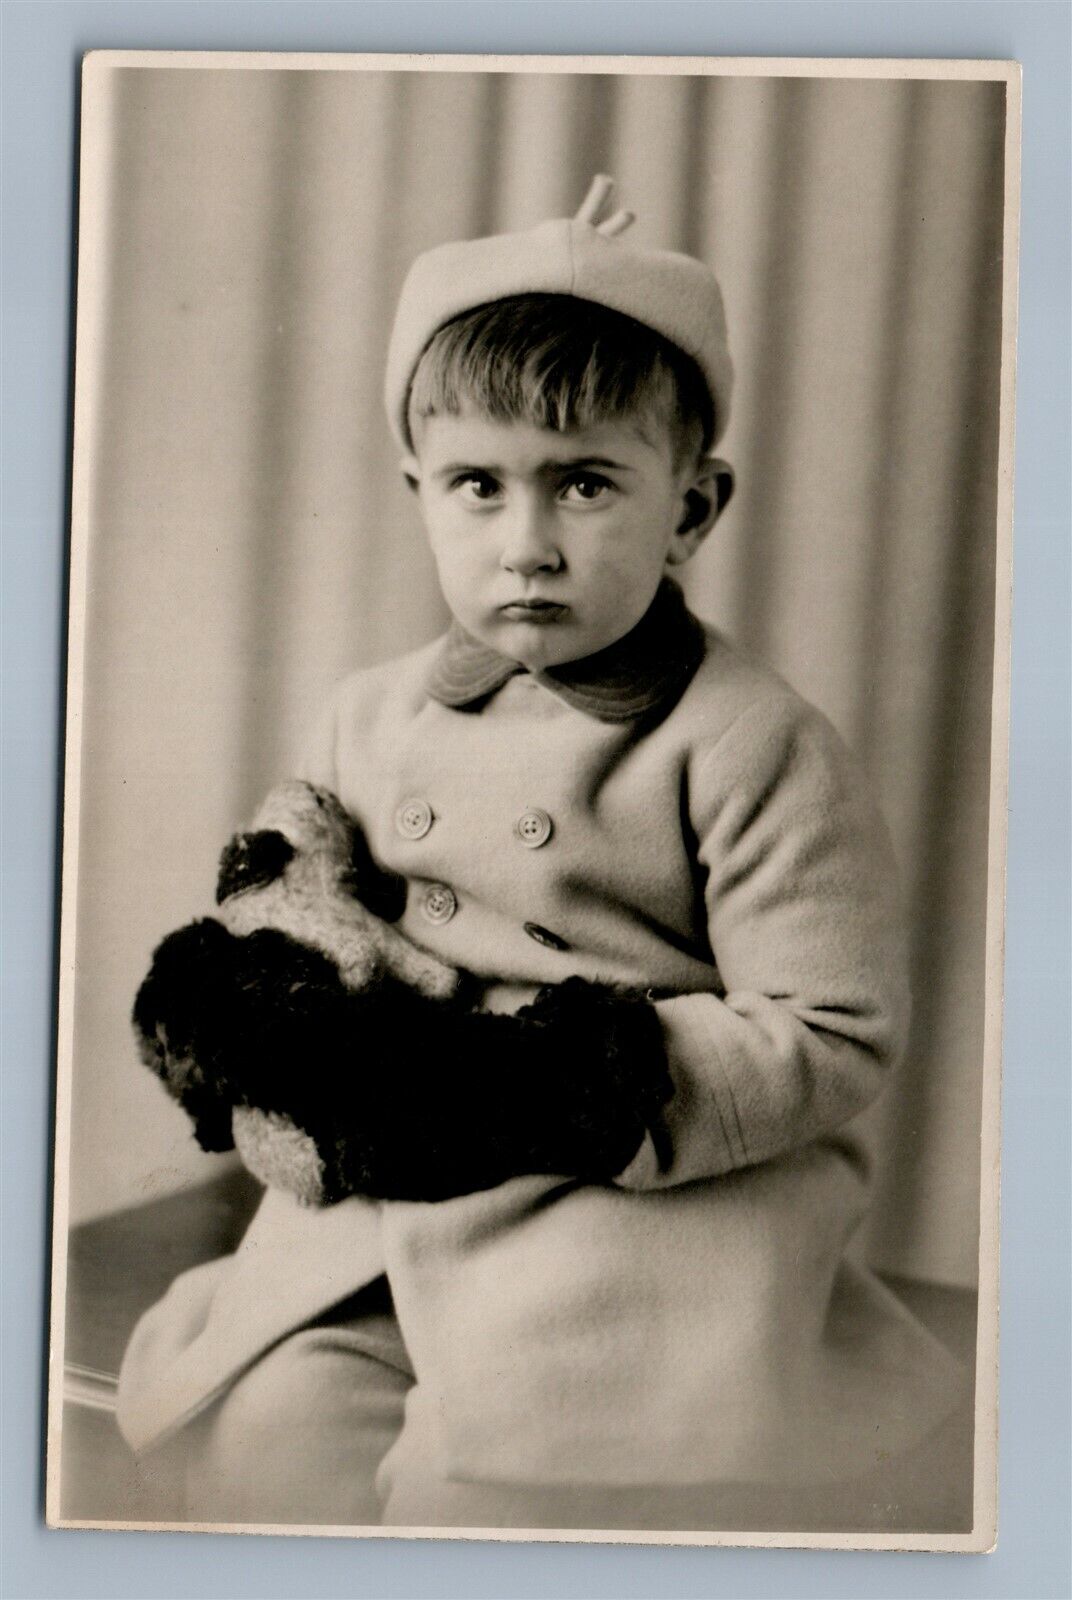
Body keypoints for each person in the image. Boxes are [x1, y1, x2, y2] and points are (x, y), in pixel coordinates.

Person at [117, 176, 968, 1533]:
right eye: (477, 486)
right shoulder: (372, 713)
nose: (527, 546)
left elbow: (833, 1028)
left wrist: (555, 1084)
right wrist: (264, 1010)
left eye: (584, 485)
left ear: (692, 509)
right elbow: (292, 894)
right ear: (420, 494)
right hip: (386, 1209)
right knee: (268, 1437)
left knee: (490, 1497)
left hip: (630, 1229)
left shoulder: (754, 744)